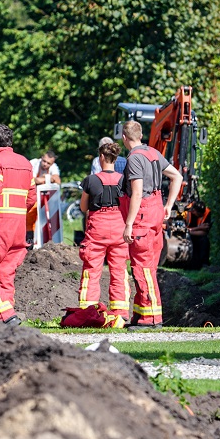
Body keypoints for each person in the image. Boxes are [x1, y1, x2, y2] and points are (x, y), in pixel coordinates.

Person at [120, 120, 183, 329]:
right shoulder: (153, 153)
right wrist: (168, 206)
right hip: (156, 210)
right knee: (148, 266)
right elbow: (177, 176)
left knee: (142, 267)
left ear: (124, 138)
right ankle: (140, 315)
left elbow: (136, 193)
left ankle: (152, 319)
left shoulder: (134, 158)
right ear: (140, 135)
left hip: (143, 215)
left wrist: (128, 223)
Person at [0, 124, 37, 325]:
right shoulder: (26, 163)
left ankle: (5, 314)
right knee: (7, 271)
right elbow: (32, 198)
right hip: (19, 225)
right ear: (10, 141)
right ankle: (6, 311)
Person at [78, 141, 129, 328]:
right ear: (116, 159)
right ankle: (121, 314)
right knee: (119, 271)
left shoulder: (90, 180)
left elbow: (84, 207)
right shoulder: (124, 180)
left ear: (101, 158)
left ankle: (88, 312)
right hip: (119, 230)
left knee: (91, 271)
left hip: (97, 231)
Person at [27, 149, 61, 243]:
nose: (45, 164)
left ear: (52, 163)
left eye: (48, 163)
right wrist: (47, 178)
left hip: (44, 198)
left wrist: (40, 179)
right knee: (29, 219)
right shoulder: (33, 163)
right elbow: (31, 181)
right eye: (44, 161)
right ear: (41, 158)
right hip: (30, 196)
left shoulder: (54, 167)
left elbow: (58, 180)